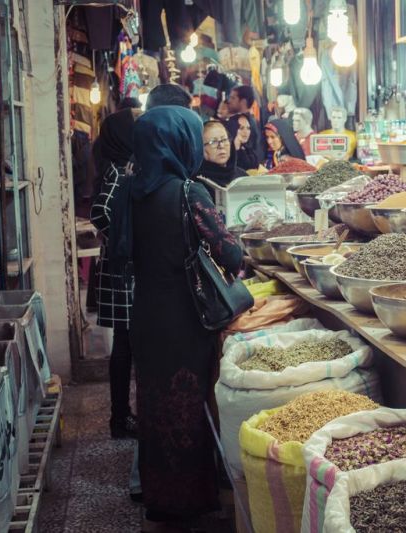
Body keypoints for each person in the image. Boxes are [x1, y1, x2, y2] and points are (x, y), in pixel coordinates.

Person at [130, 106, 242, 528]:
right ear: (182, 142)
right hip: (184, 316)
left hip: (146, 315)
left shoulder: (132, 191)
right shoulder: (187, 192)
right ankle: (191, 502)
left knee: (156, 410)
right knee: (188, 409)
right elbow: (229, 252)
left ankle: (160, 500)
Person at [90, 108, 138, 440]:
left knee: (125, 345)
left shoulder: (118, 167)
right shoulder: (119, 172)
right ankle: (120, 419)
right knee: (125, 346)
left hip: (119, 270)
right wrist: (124, 241)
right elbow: (99, 211)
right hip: (123, 272)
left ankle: (121, 417)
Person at [197, 120, 246, 195]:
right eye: (213, 142)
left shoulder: (242, 177)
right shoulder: (197, 183)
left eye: (224, 140)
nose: (221, 146)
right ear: (201, 148)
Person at [226, 85, 266, 167]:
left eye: (233, 98)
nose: (229, 101)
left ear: (243, 102)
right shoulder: (254, 121)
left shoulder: (241, 123)